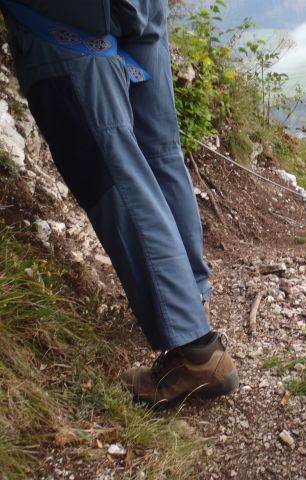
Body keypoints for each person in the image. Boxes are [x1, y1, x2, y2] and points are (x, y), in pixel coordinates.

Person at [1, 0, 238, 406]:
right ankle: (186, 295)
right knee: (158, 152)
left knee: (115, 175)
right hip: (139, 9)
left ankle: (195, 350)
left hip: (66, 17)